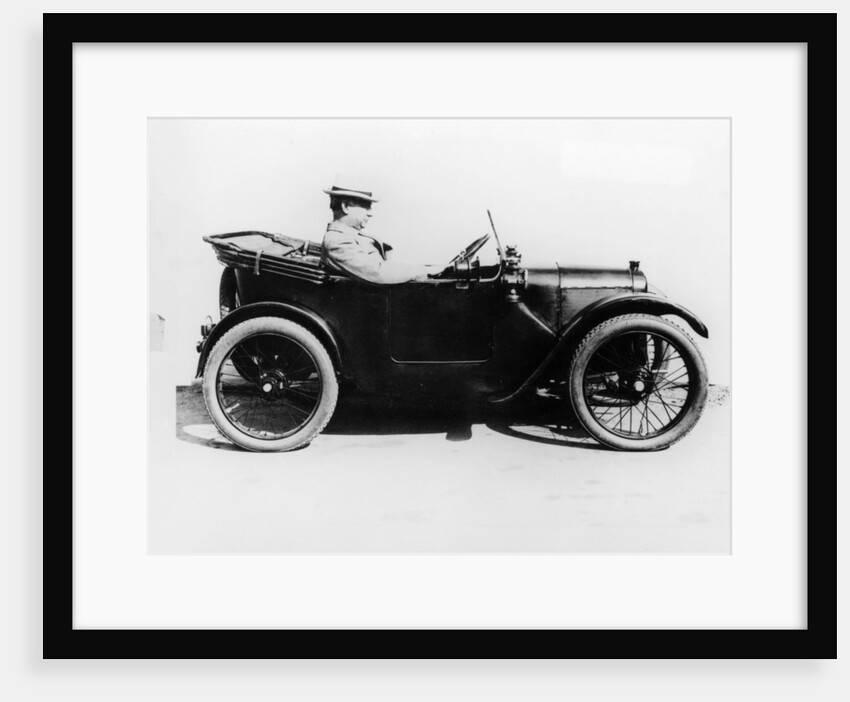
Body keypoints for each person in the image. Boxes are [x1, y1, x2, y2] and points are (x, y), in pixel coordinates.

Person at [320, 182, 444, 284]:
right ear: (346, 206)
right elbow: (376, 272)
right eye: (365, 206)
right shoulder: (337, 241)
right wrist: (423, 270)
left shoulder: (348, 236)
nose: (370, 213)